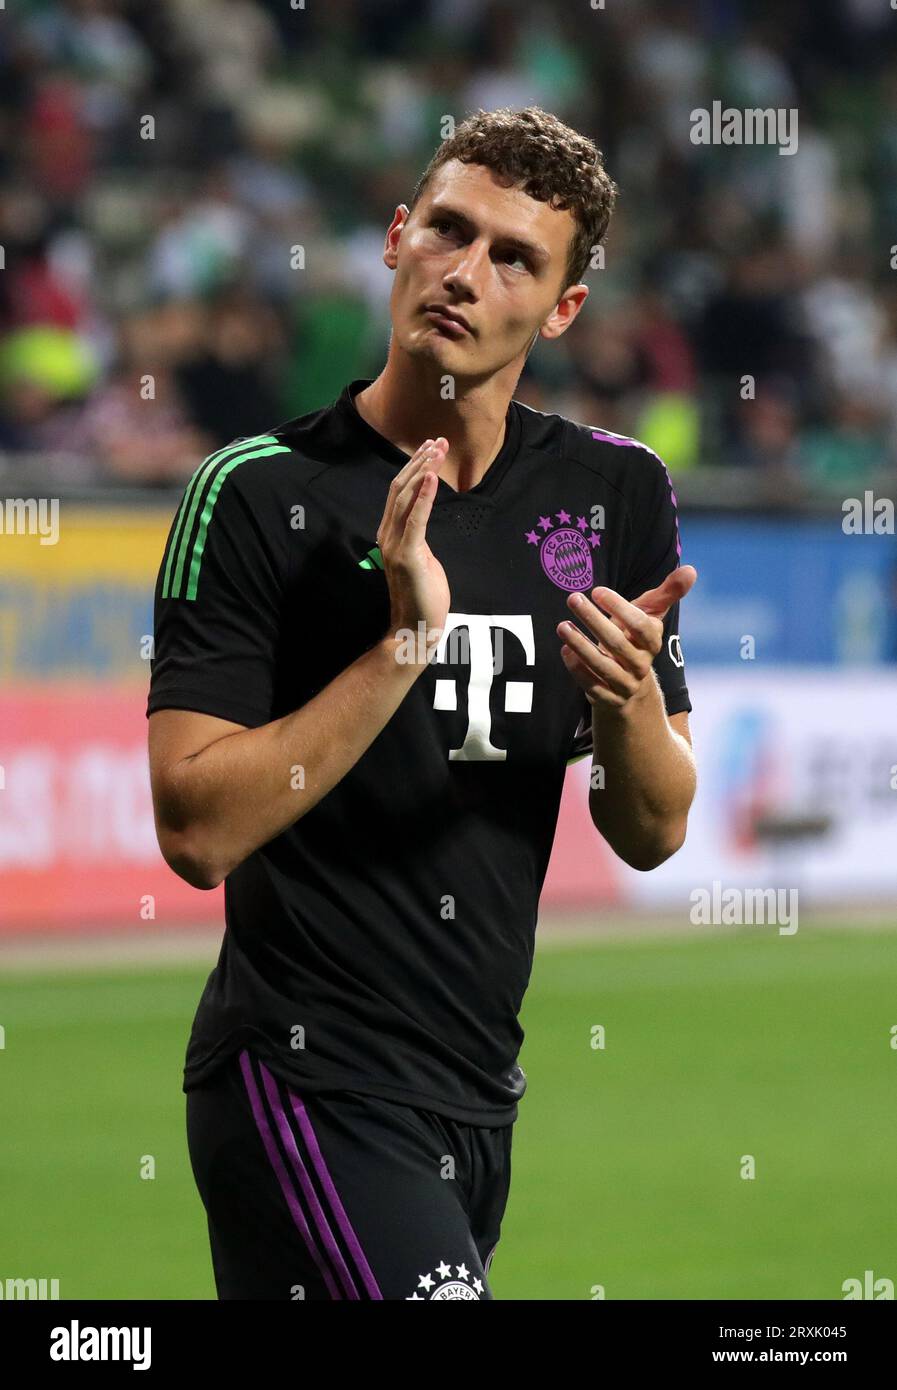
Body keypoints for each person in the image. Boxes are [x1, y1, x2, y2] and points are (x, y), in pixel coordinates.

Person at [146, 105, 697, 1301]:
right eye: (447, 229)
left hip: (478, 1096)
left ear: (562, 311)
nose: (465, 270)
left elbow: (652, 829)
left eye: (514, 257)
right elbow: (194, 831)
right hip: (299, 1075)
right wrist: (404, 643)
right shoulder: (255, 495)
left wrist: (626, 701)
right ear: (397, 238)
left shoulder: (614, 493)